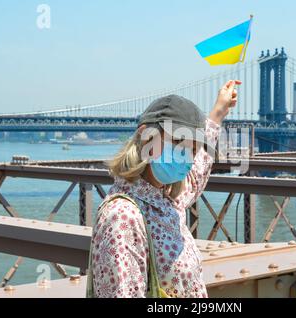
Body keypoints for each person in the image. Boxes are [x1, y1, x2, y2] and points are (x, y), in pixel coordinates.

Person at [88, 80, 241, 298]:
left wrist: (219, 111)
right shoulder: (123, 217)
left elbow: (197, 172)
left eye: (193, 148)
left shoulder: (167, 200)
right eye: (179, 141)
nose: (186, 156)